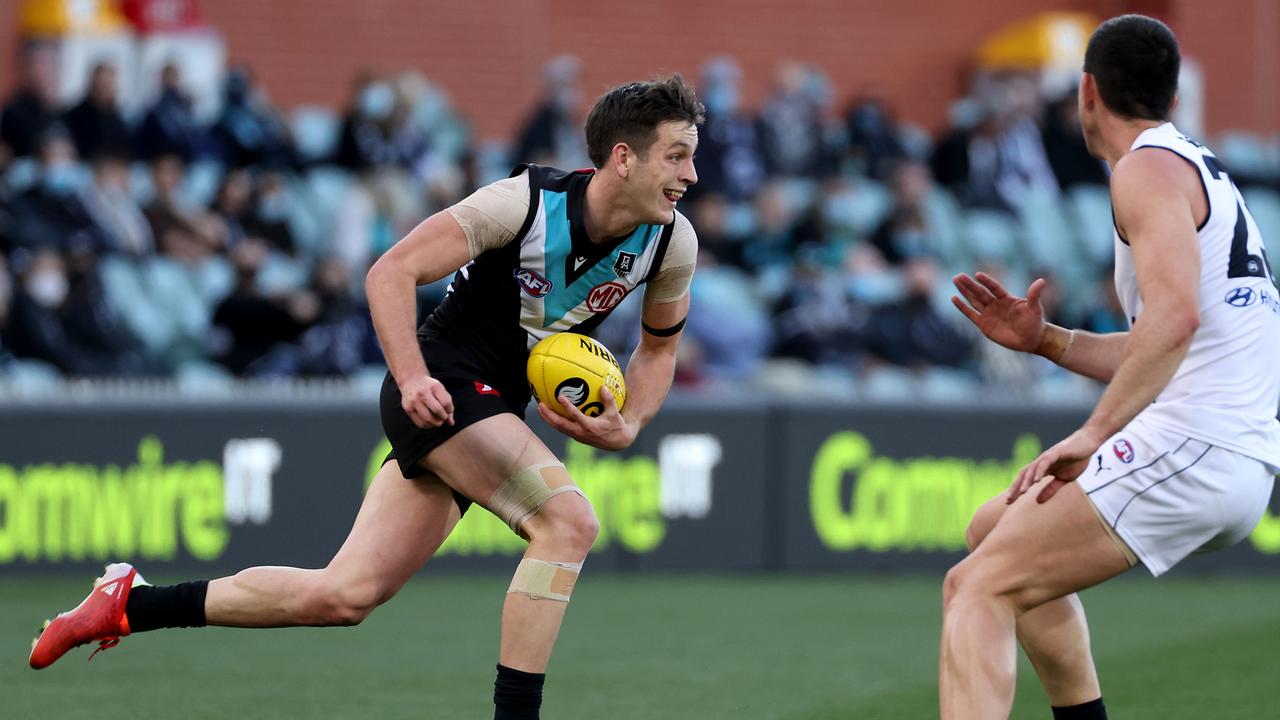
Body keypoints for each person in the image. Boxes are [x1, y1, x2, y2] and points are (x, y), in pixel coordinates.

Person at [30, 74, 703, 720]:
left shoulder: (671, 242)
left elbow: (660, 348)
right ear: (623, 157)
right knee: (570, 521)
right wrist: (412, 377)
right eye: (677, 156)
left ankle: (127, 605)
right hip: (443, 384)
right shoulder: (523, 204)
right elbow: (392, 270)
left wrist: (632, 420)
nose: (691, 176)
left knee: (343, 595)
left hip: (494, 407)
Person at [940, 15, 1280, 720]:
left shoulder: (1145, 171)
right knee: (990, 533)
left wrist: (1093, 433)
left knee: (975, 587)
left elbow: (1175, 320)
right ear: (1174, 94)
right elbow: (1176, 336)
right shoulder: (1194, 165)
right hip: (1230, 452)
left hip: (1198, 443)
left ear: (1087, 90)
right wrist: (1048, 341)